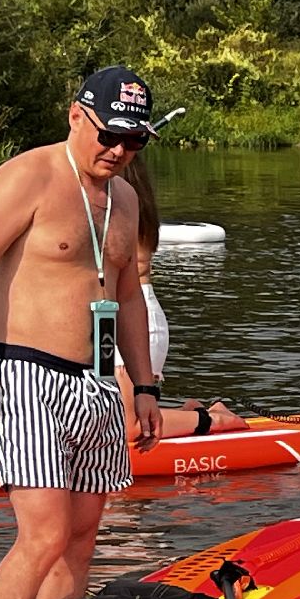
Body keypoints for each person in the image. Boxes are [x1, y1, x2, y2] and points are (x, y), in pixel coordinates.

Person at [0, 65, 163, 599]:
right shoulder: (28, 175)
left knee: (81, 535)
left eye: (134, 140)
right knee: (42, 534)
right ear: (76, 115)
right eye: (110, 136)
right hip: (23, 373)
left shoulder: (123, 198)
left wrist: (143, 386)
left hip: (97, 381)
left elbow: (126, 299)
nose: (120, 150)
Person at [115, 156, 246, 438]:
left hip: (133, 317)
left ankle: (214, 419)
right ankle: (190, 414)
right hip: (110, 316)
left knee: (129, 426)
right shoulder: (114, 203)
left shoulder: (124, 206)